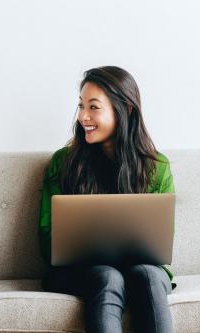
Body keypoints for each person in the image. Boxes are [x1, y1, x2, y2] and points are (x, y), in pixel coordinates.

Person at [38, 66, 175, 333]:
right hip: (79, 271)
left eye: (93, 107)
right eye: (80, 106)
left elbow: (162, 243)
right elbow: (46, 239)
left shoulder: (157, 166)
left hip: (142, 269)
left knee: (147, 275)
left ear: (126, 110)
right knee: (108, 276)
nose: (83, 117)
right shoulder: (63, 163)